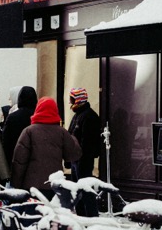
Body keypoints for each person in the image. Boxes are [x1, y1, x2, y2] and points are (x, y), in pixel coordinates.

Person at [11, 96, 81, 200]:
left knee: (34, 215)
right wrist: (73, 138)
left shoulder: (28, 131)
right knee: (52, 215)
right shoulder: (61, 132)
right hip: (54, 185)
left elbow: (19, 161)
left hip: (32, 186)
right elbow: (74, 155)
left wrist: (16, 184)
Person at [67, 87, 102, 216]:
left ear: (78, 100)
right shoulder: (78, 115)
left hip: (83, 161)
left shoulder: (89, 116)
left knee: (85, 191)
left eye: (72, 99)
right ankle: (82, 215)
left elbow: (87, 142)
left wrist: (80, 159)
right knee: (78, 190)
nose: (70, 102)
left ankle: (90, 216)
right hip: (76, 160)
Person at [1, 85, 38, 164]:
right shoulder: (39, 116)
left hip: (16, 157)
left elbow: (6, 141)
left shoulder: (13, 117)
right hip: (35, 160)